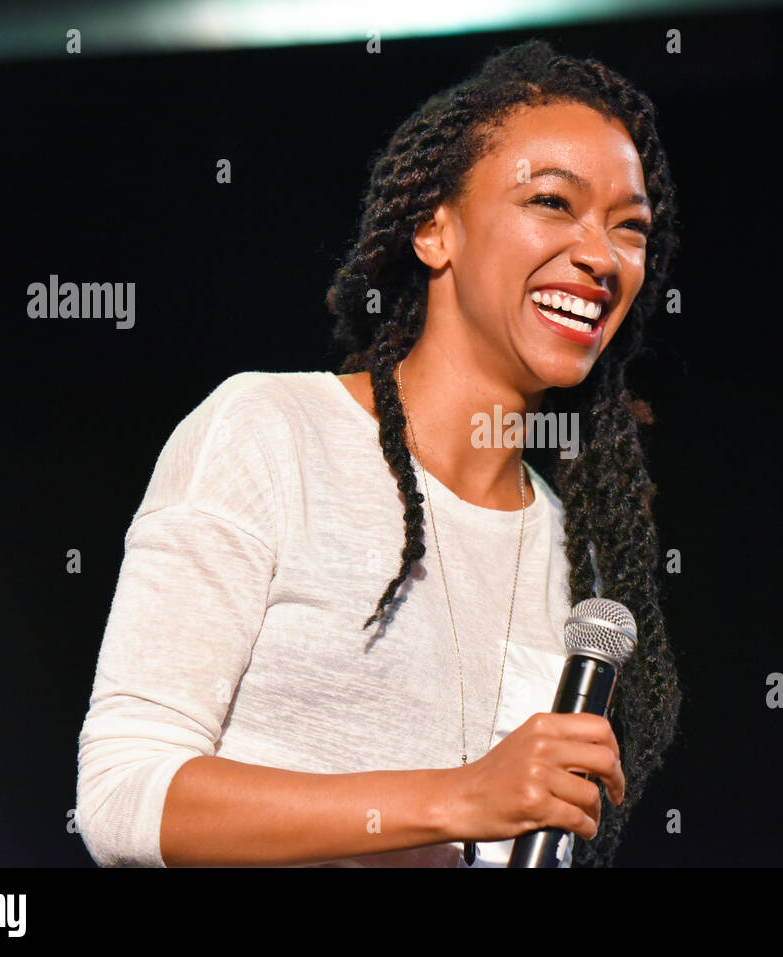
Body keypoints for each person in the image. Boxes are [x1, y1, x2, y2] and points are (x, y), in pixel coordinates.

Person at [75, 39, 681, 868]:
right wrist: (456, 795)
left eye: (631, 227)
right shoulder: (269, 432)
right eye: (552, 202)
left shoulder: (575, 564)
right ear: (434, 229)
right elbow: (122, 794)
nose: (601, 255)